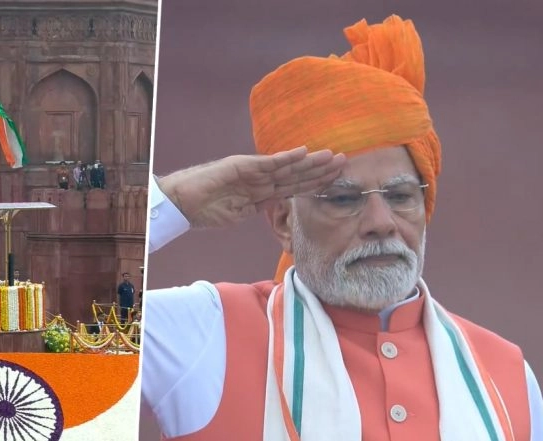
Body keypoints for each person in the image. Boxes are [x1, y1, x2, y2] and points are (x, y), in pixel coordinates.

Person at [141, 15, 542, 441]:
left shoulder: (508, 377)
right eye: (344, 200)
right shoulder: (207, 334)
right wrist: (175, 200)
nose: (381, 223)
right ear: (284, 222)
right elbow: (81, 324)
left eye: (400, 196)